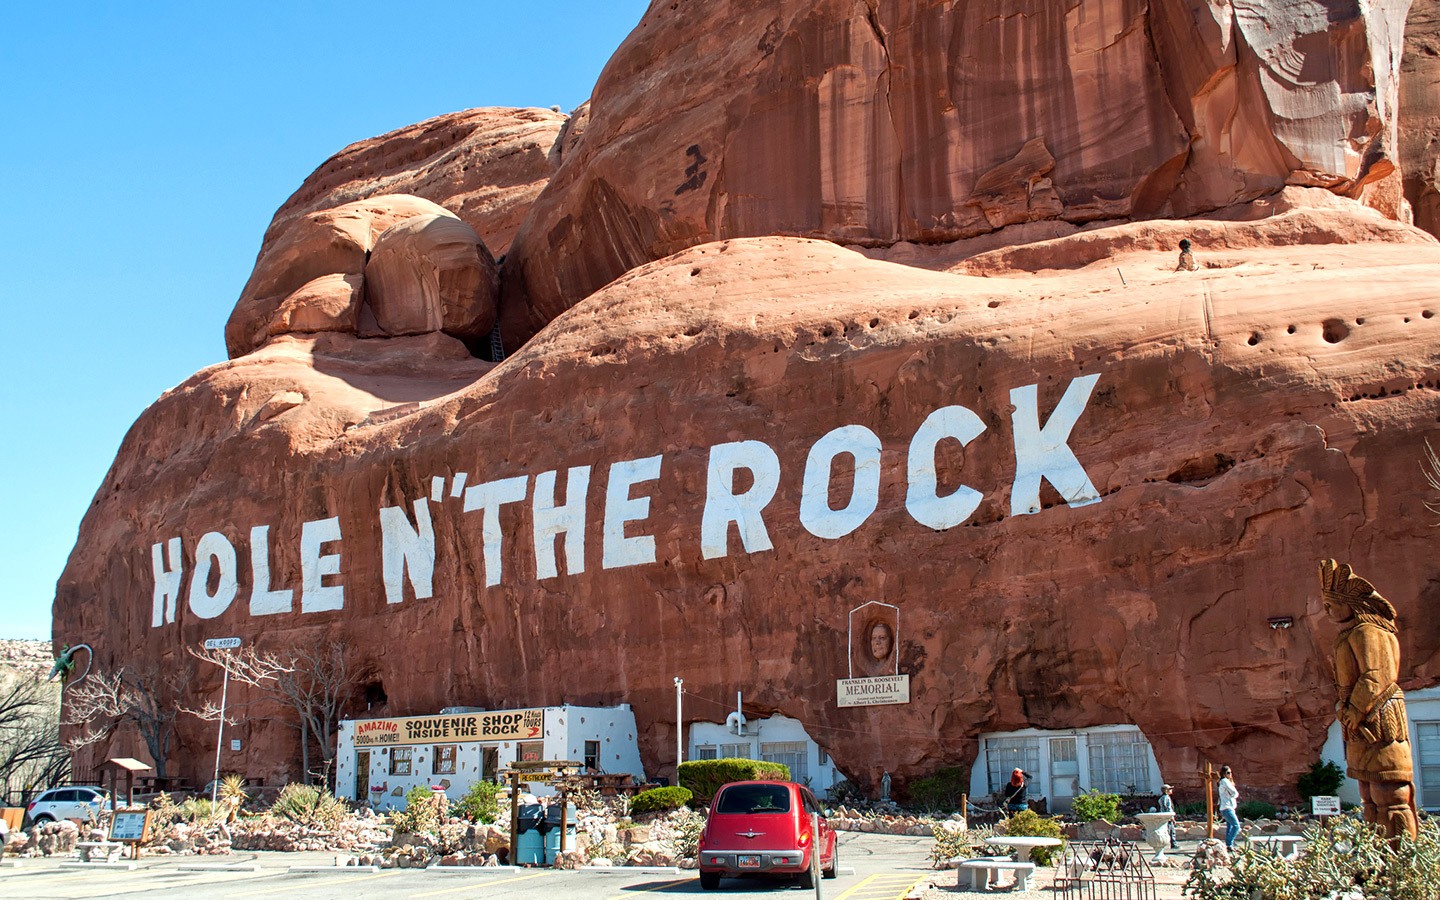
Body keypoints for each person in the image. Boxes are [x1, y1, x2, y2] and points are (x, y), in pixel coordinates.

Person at [1319, 559, 1419, 841]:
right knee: (1369, 793)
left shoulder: (1368, 632)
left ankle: (1400, 856)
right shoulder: (1349, 635)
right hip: (1360, 720)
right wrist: (1347, 709)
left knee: (1389, 791)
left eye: (1331, 604)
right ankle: (1377, 852)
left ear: (1350, 604)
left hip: (1378, 717)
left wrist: (1356, 708)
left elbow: (1375, 675)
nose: (1326, 611)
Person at [1216, 766, 1239, 849]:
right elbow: (1234, 793)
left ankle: (1229, 844)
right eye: (1228, 773)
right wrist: (1235, 795)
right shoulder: (1225, 781)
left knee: (1229, 826)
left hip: (1226, 807)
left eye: (1230, 772)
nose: (1230, 774)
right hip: (1227, 807)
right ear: (1224, 774)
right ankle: (1229, 844)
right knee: (1236, 826)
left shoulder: (1222, 782)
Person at [1158, 783, 1178, 849]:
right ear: (1166, 791)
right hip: (1168, 817)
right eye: (1170, 789)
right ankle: (1173, 844)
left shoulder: (1161, 798)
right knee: (1171, 831)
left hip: (1163, 816)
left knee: (1165, 830)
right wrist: (1172, 817)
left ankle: (1163, 844)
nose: (1171, 790)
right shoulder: (1167, 798)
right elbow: (1168, 808)